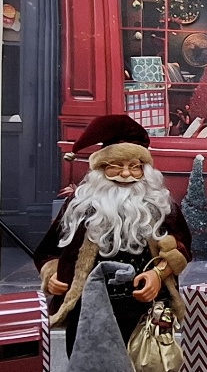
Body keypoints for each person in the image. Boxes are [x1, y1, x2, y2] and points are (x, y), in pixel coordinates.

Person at [34, 114, 192, 358]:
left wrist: (158, 274)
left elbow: (183, 247)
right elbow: (48, 251)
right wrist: (53, 274)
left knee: (144, 364)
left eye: (134, 166)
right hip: (88, 308)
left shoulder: (159, 206)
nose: (126, 174)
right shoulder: (80, 205)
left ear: (145, 170)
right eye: (116, 166)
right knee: (88, 362)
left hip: (144, 308)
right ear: (101, 169)